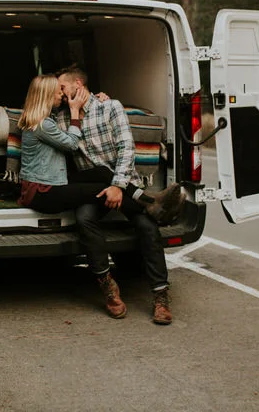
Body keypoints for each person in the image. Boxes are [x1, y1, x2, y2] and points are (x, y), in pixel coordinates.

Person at [57, 65, 182, 325]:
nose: (59, 93)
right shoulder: (61, 117)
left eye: (62, 88)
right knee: (84, 220)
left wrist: (117, 184)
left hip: (124, 183)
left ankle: (160, 296)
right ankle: (108, 286)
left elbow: (127, 148)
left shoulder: (110, 106)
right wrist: (71, 110)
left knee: (147, 228)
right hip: (93, 189)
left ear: (78, 85)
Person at [17, 75, 180, 223]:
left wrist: (95, 98)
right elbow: (72, 144)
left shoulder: (47, 118)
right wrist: (74, 112)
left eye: (62, 89)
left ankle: (148, 200)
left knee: (102, 171)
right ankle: (151, 208)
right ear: (46, 95)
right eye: (58, 91)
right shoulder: (43, 124)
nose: (62, 94)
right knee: (106, 190)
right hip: (43, 190)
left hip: (53, 182)